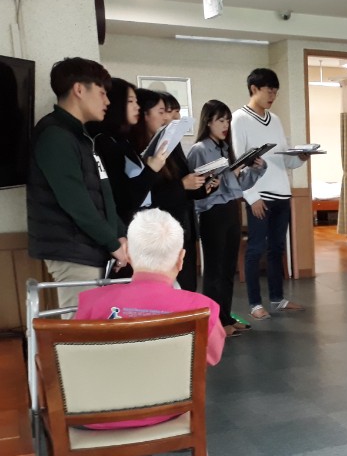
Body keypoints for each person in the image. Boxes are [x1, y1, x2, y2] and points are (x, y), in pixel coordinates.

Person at [71, 209, 226, 456]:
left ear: (128, 254)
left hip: (95, 417)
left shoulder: (90, 303)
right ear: (181, 259)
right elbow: (213, 356)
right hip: (165, 414)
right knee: (156, 386)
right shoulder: (202, 308)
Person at [26, 57, 128, 312]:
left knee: (94, 326)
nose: (107, 101)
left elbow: (103, 193)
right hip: (73, 250)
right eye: (102, 93)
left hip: (89, 248)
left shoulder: (80, 135)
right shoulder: (55, 135)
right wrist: (112, 243)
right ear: (79, 90)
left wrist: (119, 234)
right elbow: (76, 201)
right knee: (81, 329)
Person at [232, 67, 309, 320]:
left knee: (277, 249)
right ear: (254, 89)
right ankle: (255, 304)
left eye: (276, 92)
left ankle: (278, 299)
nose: (273, 96)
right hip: (259, 196)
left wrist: (301, 157)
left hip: (282, 195)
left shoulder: (275, 119)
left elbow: (284, 160)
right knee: (256, 249)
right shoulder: (239, 119)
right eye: (269, 91)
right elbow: (239, 163)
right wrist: (251, 196)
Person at [187, 100, 267, 338]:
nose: (225, 125)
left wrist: (256, 169)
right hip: (212, 212)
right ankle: (214, 321)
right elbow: (200, 190)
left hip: (231, 208)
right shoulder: (199, 150)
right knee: (214, 269)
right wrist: (228, 175)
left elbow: (238, 185)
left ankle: (225, 316)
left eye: (227, 120)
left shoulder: (225, 148)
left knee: (228, 268)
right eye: (220, 120)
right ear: (208, 122)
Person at [131, 88, 207, 291]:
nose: (170, 118)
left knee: (187, 287)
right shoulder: (139, 149)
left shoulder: (172, 143)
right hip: (161, 230)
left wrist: (203, 184)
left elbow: (185, 180)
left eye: (173, 111)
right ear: (144, 115)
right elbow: (147, 196)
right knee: (166, 289)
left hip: (183, 224)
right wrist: (182, 185)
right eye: (163, 111)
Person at [89, 77, 169, 226]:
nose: (137, 107)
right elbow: (122, 198)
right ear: (115, 103)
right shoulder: (103, 142)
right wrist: (151, 169)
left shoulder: (123, 141)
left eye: (136, 101)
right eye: (130, 101)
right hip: (125, 227)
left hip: (142, 222)